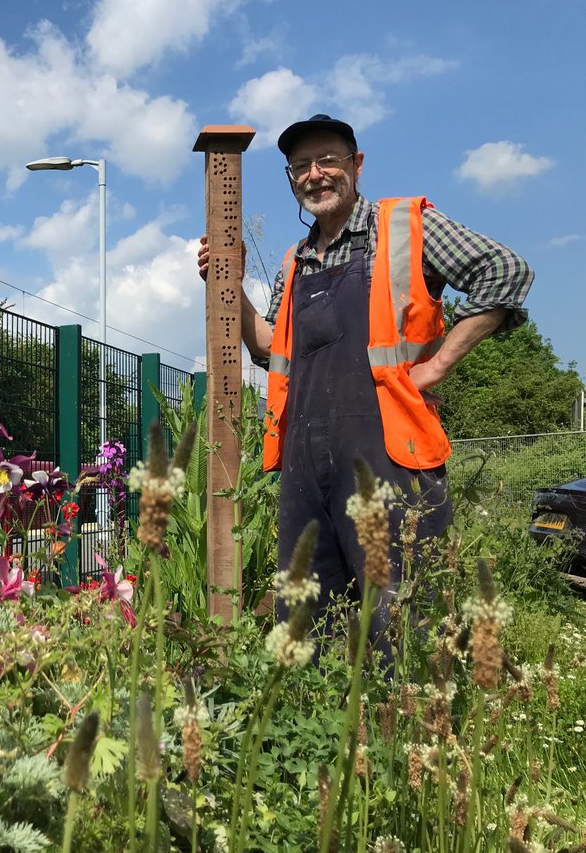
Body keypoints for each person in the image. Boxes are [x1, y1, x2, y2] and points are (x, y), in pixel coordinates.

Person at [197, 113, 533, 659]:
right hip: (305, 463)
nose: (315, 174)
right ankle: (321, 738)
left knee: (402, 619)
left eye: (328, 160)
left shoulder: (403, 228)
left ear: (356, 165)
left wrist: (439, 364)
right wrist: (227, 288)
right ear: (291, 179)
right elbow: (269, 345)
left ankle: (408, 737)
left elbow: (505, 270)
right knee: (307, 617)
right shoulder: (295, 261)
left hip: (391, 453)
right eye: (301, 166)